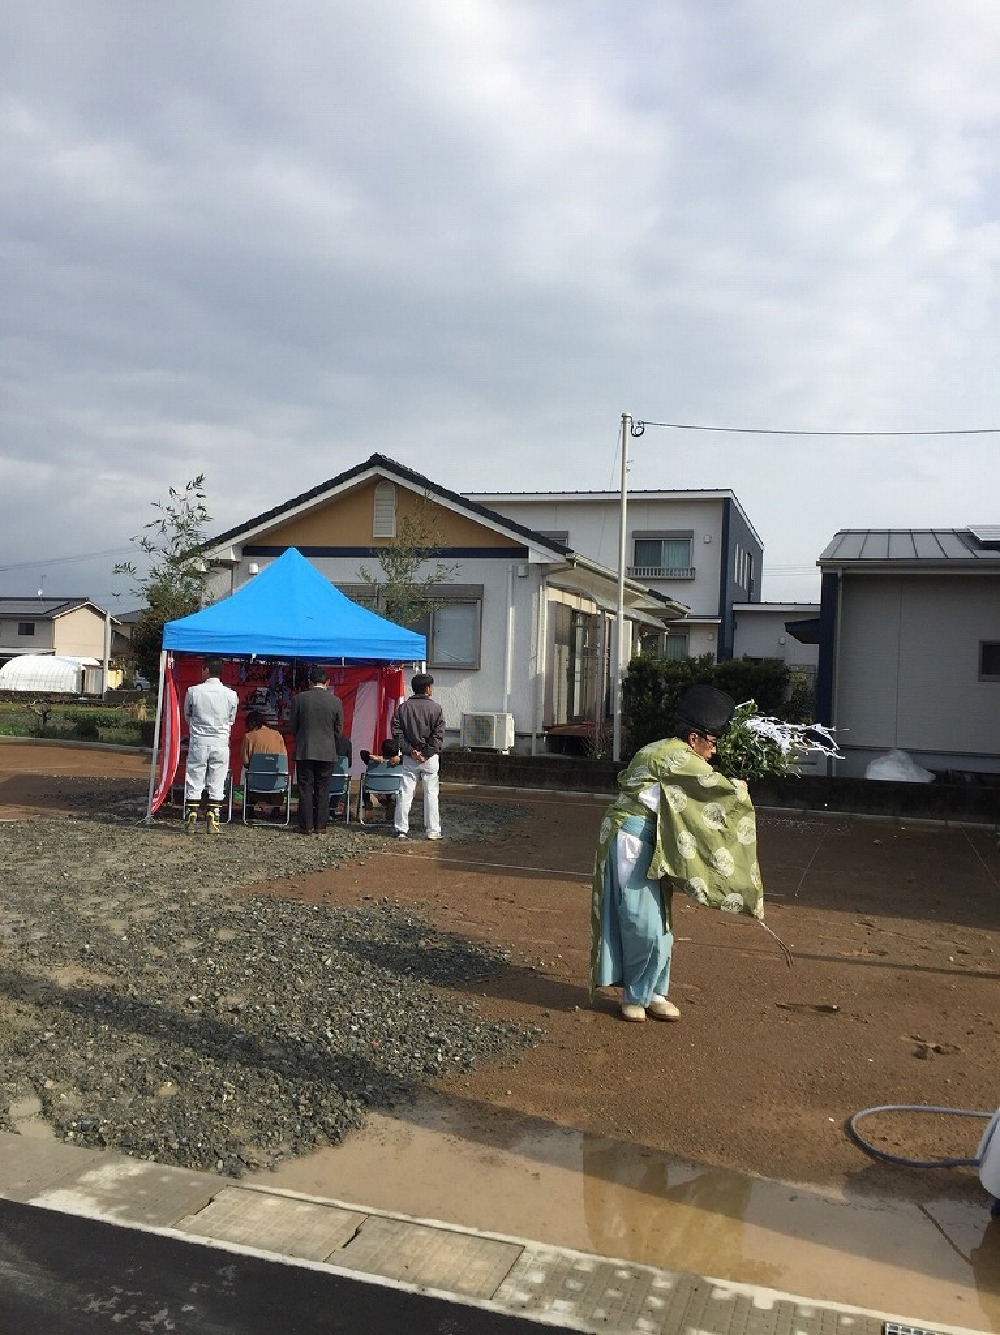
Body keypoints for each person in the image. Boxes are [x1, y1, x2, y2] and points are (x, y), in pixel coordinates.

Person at [590, 684, 764, 1023]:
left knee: (661, 922)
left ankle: (654, 992)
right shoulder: (676, 757)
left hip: (655, 840)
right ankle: (635, 995)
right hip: (631, 839)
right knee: (643, 922)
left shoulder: (669, 752)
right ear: (695, 738)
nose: (713, 752)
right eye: (712, 743)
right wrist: (740, 788)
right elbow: (718, 789)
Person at [183, 657, 239, 835]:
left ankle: (191, 815)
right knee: (217, 778)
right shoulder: (231, 694)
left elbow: (187, 715)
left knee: (195, 776)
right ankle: (213, 818)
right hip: (221, 741)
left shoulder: (193, 691)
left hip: (199, 740)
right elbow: (231, 719)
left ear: (206, 670)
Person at [290, 665, 343, 835]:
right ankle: (321, 825)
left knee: (306, 788)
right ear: (327, 682)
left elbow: (293, 726)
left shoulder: (299, 699)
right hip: (327, 751)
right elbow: (338, 729)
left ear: (309, 682)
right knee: (323, 788)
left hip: (305, 749)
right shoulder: (336, 701)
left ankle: (306, 825)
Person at [391, 672, 445, 840]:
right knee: (431, 794)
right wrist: (427, 752)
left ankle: (401, 829)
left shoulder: (403, 708)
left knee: (405, 792)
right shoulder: (436, 708)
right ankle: (433, 830)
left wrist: (409, 750)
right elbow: (438, 734)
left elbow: (397, 732)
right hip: (430, 758)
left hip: (410, 756)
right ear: (428, 688)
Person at [240, 710, 287, 820]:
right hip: (276, 784)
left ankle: (249, 812)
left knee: (249, 776)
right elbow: (283, 760)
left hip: (255, 785)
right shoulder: (278, 735)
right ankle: (276, 810)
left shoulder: (248, 737)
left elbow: (245, 762)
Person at [360, 739, 402, 822]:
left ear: (382, 749)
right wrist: (400, 758)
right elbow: (409, 757)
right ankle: (391, 801)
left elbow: (362, 753)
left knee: (364, 785)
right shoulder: (400, 762)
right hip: (394, 787)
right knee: (389, 785)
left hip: (373, 786)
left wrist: (371, 756)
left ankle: (368, 804)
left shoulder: (372, 761)